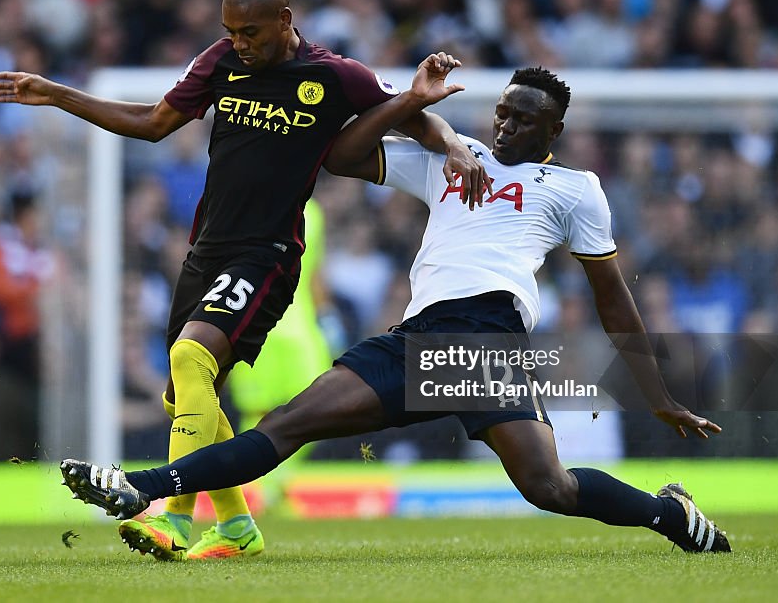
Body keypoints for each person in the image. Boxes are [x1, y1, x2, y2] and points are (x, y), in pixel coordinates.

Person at [61, 65, 731, 555]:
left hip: (484, 340)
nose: (505, 125)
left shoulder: (575, 188)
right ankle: (138, 486)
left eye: (523, 118)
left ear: (553, 129)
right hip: (414, 339)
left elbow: (611, 296)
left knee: (547, 487)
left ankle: (669, 516)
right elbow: (346, 154)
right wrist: (414, 104)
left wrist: (659, 395)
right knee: (289, 420)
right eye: (501, 112)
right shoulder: (453, 161)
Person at [0, 0, 488, 561]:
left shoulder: (334, 76)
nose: (239, 44)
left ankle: (172, 520)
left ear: (285, 20)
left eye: (249, 32)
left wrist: (453, 143)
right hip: (208, 250)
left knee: (191, 357)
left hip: (268, 252)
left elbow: (416, 115)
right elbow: (153, 124)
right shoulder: (221, 61)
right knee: (186, 394)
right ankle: (237, 526)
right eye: (230, 32)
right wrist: (58, 94)